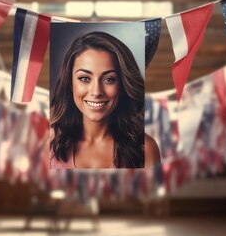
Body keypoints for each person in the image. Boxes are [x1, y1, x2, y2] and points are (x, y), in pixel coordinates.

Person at [49, 31, 161, 169]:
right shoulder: (48, 146)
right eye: (84, 78)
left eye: (109, 79)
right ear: (70, 84)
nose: (96, 92)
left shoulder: (146, 149)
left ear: (122, 85)